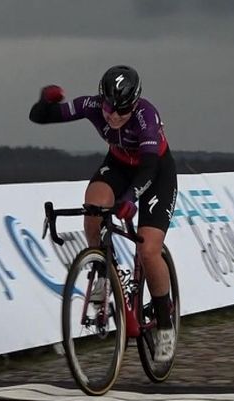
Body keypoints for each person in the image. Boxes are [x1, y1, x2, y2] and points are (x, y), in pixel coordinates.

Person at [29, 65, 177, 361]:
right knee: (93, 205)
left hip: (155, 172)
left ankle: (164, 323)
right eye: (109, 108)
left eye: (121, 111)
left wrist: (131, 197)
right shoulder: (94, 106)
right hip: (120, 165)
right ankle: (101, 270)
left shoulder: (146, 116)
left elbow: (148, 168)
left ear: (133, 104)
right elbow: (40, 117)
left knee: (148, 250)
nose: (113, 116)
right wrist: (46, 102)